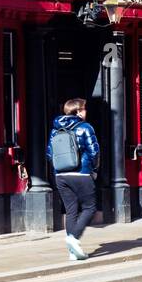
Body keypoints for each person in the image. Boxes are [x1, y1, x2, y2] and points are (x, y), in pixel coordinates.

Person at [48, 98, 101, 261]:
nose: (86, 112)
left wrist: (59, 170)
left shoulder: (55, 130)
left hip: (61, 175)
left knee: (71, 210)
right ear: (78, 111)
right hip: (81, 174)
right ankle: (74, 238)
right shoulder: (85, 127)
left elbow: (49, 154)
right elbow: (94, 151)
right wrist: (93, 170)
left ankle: (73, 252)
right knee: (90, 208)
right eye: (84, 109)